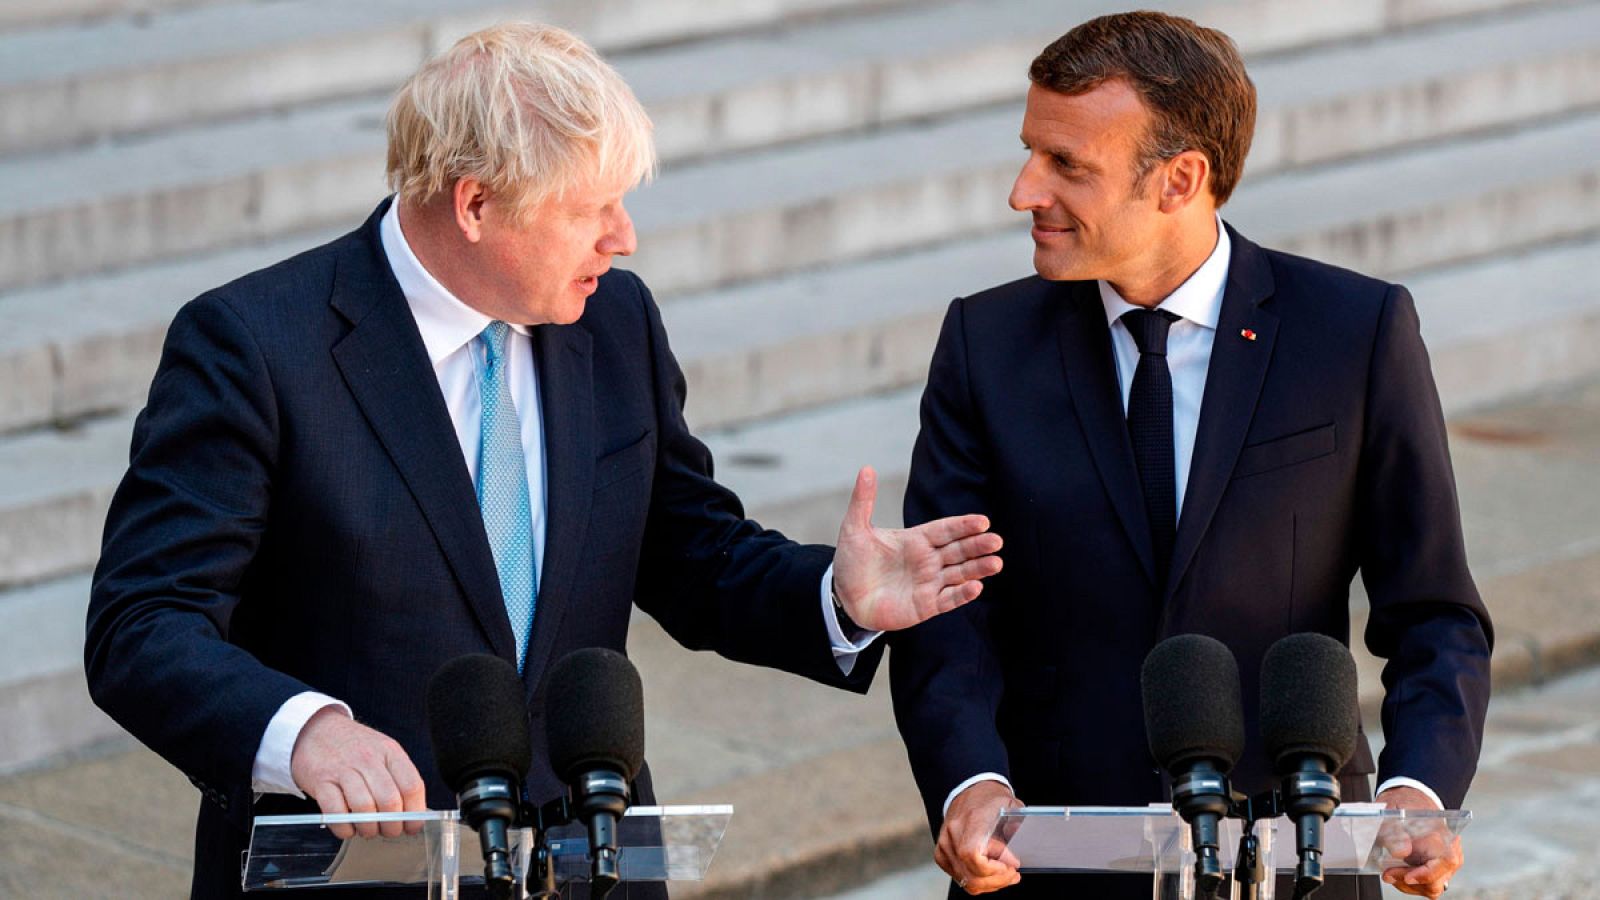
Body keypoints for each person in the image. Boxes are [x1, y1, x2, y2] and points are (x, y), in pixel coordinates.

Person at [84, 23, 1003, 899]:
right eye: (590, 208)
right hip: (359, 872)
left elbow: (690, 556)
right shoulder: (255, 345)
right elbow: (143, 624)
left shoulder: (614, 320)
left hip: (590, 859)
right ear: (475, 203)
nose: (624, 235)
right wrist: (307, 733)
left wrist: (834, 598)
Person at [888, 12, 1491, 900]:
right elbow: (947, 613)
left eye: (1067, 166)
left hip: (1298, 860)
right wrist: (972, 781)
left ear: (1180, 180)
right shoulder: (985, 343)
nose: (1024, 191)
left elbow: (1434, 611)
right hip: (1049, 865)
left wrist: (1417, 791)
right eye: (1031, 152)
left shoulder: (1354, 334)